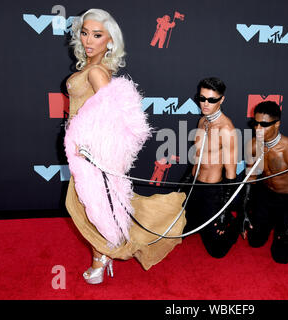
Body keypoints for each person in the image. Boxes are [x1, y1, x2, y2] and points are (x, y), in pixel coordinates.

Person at [64, 8, 186, 284]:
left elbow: (115, 119)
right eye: (84, 33)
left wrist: (96, 151)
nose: (88, 40)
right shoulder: (91, 68)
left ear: (110, 41)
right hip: (82, 152)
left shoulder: (97, 72)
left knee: (92, 207)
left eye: (97, 35)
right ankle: (102, 254)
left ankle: (101, 257)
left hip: (92, 155)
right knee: (90, 206)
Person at [242, 101, 288, 263]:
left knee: (281, 257)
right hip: (265, 195)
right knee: (254, 241)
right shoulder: (252, 145)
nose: (257, 129)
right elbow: (251, 179)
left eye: (264, 124)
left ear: (277, 124)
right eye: (255, 123)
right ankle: (269, 222)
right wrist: (245, 210)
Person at [182, 77, 240, 258]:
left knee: (217, 251)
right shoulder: (202, 121)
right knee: (180, 233)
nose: (205, 104)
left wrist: (225, 210)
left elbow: (231, 173)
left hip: (212, 192)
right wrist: (186, 182)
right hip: (194, 187)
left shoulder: (226, 129)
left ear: (221, 99)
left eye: (212, 100)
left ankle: (236, 224)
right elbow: (198, 157)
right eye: (202, 98)